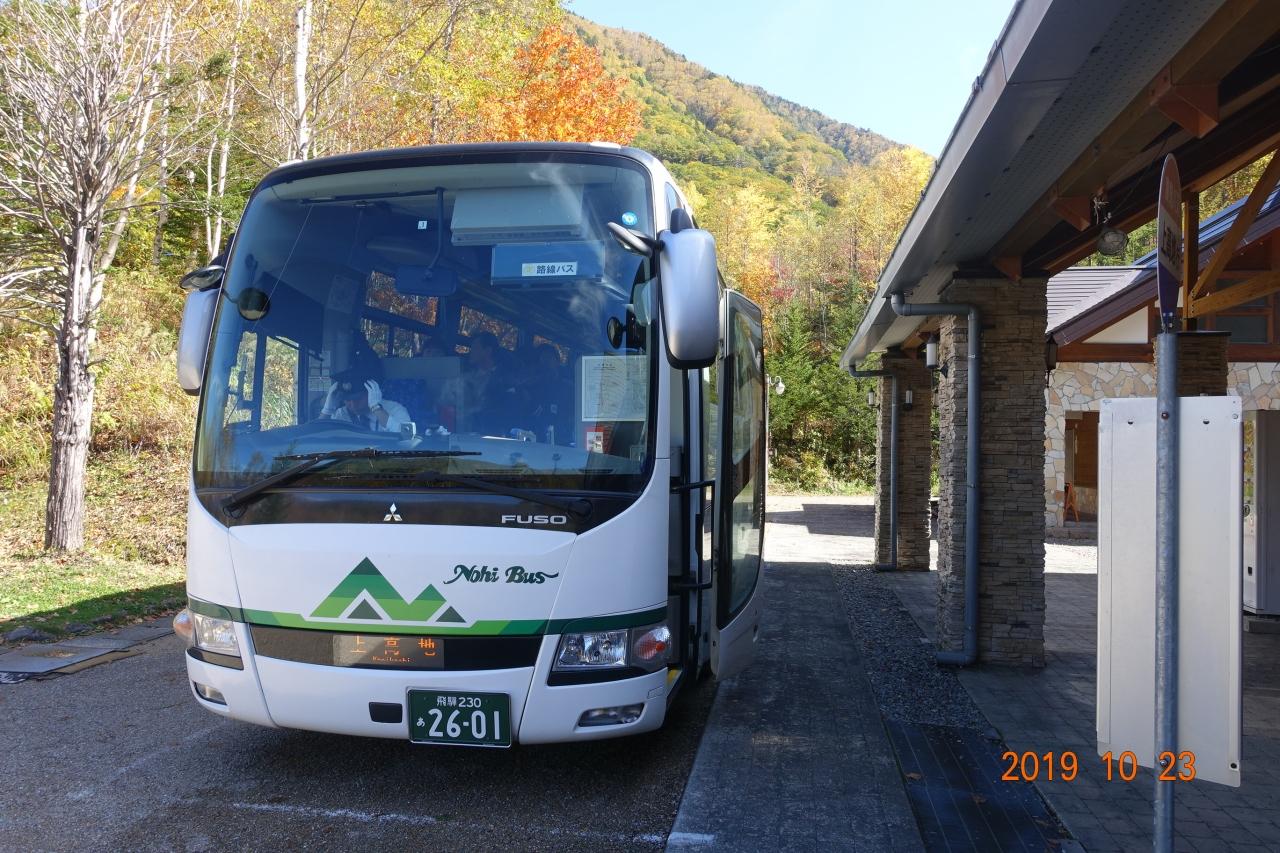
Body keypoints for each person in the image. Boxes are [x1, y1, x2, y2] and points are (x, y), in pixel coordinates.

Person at [320, 369, 412, 434]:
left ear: (372, 393)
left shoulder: (395, 409)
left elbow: (409, 436)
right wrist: (327, 410)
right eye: (347, 400)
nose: (353, 405)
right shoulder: (341, 414)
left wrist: (377, 409)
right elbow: (316, 436)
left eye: (358, 399)